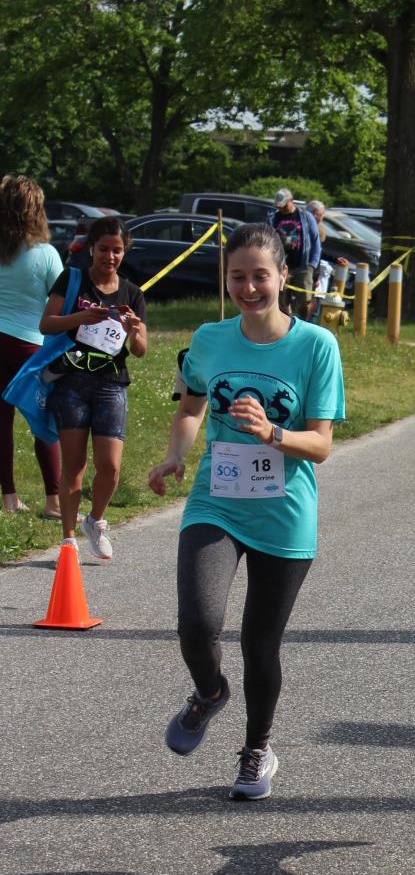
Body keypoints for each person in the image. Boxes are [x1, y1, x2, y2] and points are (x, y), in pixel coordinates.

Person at [148, 223, 344, 801]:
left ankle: (257, 748)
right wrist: (175, 456)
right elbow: (191, 406)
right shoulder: (209, 338)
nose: (250, 288)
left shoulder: (316, 346)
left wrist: (272, 432)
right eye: (238, 277)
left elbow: (322, 444)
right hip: (217, 501)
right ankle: (210, 693)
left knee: (260, 645)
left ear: (284, 276)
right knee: (197, 624)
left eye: (261, 276)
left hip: (284, 513)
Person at [38, 217, 147, 560]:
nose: (110, 257)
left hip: (111, 385)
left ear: (124, 251)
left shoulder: (132, 293)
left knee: (110, 466)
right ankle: (68, 539)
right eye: (104, 249)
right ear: (91, 249)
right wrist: (82, 317)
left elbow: (141, 350)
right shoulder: (73, 279)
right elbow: (46, 323)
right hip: (71, 382)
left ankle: (95, 520)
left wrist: (134, 330)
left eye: (117, 250)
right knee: (74, 464)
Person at [0, 175, 62, 518]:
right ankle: (54, 501)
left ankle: (9, 499)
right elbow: (63, 299)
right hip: (30, 347)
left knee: (2, 423)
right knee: (44, 421)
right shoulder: (46, 254)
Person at [269, 188, 322, 319]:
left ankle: (304, 323)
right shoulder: (273, 218)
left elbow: (315, 242)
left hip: (303, 265)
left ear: (291, 201)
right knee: (281, 301)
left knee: (305, 302)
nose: (282, 209)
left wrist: (312, 264)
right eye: (279, 206)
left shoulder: (305, 217)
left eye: (284, 205)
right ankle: (286, 325)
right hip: (281, 266)